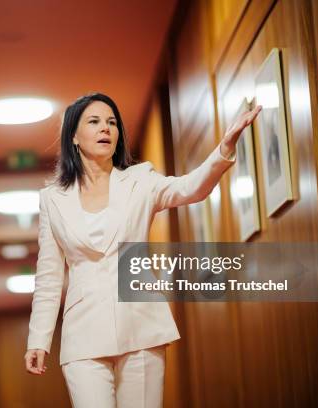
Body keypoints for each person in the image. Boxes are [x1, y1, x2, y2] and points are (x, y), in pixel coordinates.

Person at [24, 93, 260, 407]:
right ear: (74, 137)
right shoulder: (53, 199)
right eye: (94, 122)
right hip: (83, 335)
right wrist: (38, 340)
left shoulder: (140, 180)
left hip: (142, 326)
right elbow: (49, 277)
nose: (105, 129)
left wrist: (225, 147)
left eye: (111, 122)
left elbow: (191, 188)